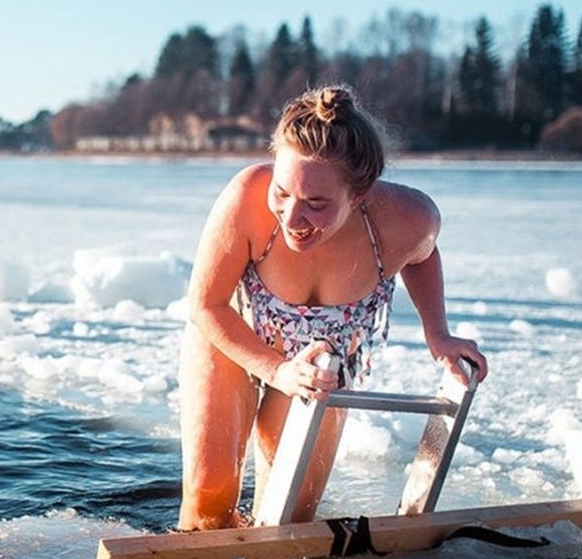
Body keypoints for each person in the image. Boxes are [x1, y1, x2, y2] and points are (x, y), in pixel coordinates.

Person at [177, 84, 488, 530]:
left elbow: (422, 256)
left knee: (289, 518)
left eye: (316, 204)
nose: (291, 217)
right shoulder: (245, 197)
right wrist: (277, 370)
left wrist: (437, 333)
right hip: (232, 337)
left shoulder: (409, 218)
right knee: (210, 498)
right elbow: (205, 305)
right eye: (282, 193)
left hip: (322, 366)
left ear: (359, 195)